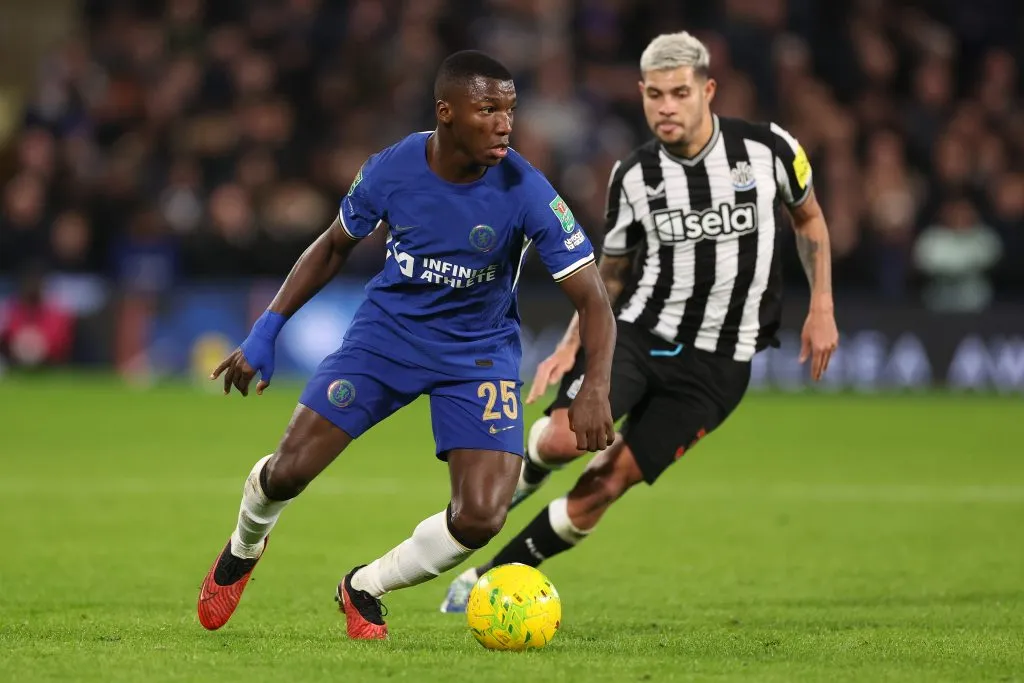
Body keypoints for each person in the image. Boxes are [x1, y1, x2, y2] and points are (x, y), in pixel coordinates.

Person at [196, 50, 617, 639]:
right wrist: (267, 329)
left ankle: (364, 585)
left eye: (510, 110)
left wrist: (594, 386)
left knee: (480, 517)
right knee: (289, 472)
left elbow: (593, 298)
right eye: (488, 109)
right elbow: (333, 246)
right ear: (447, 113)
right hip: (385, 339)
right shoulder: (392, 169)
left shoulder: (526, 188)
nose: (504, 124)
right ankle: (244, 547)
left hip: (478, 355)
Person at [440, 31, 839, 612]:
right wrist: (572, 345)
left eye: (679, 93)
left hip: (718, 367)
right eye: (655, 94)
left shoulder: (769, 150)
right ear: (642, 95)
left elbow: (809, 219)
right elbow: (613, 275)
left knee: (606, 486)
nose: (666, 107)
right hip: (639, 336)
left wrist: (822, 306)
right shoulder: (634, 175)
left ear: (708, 90)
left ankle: (492, 575)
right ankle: (492, 505)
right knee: (559, 439)